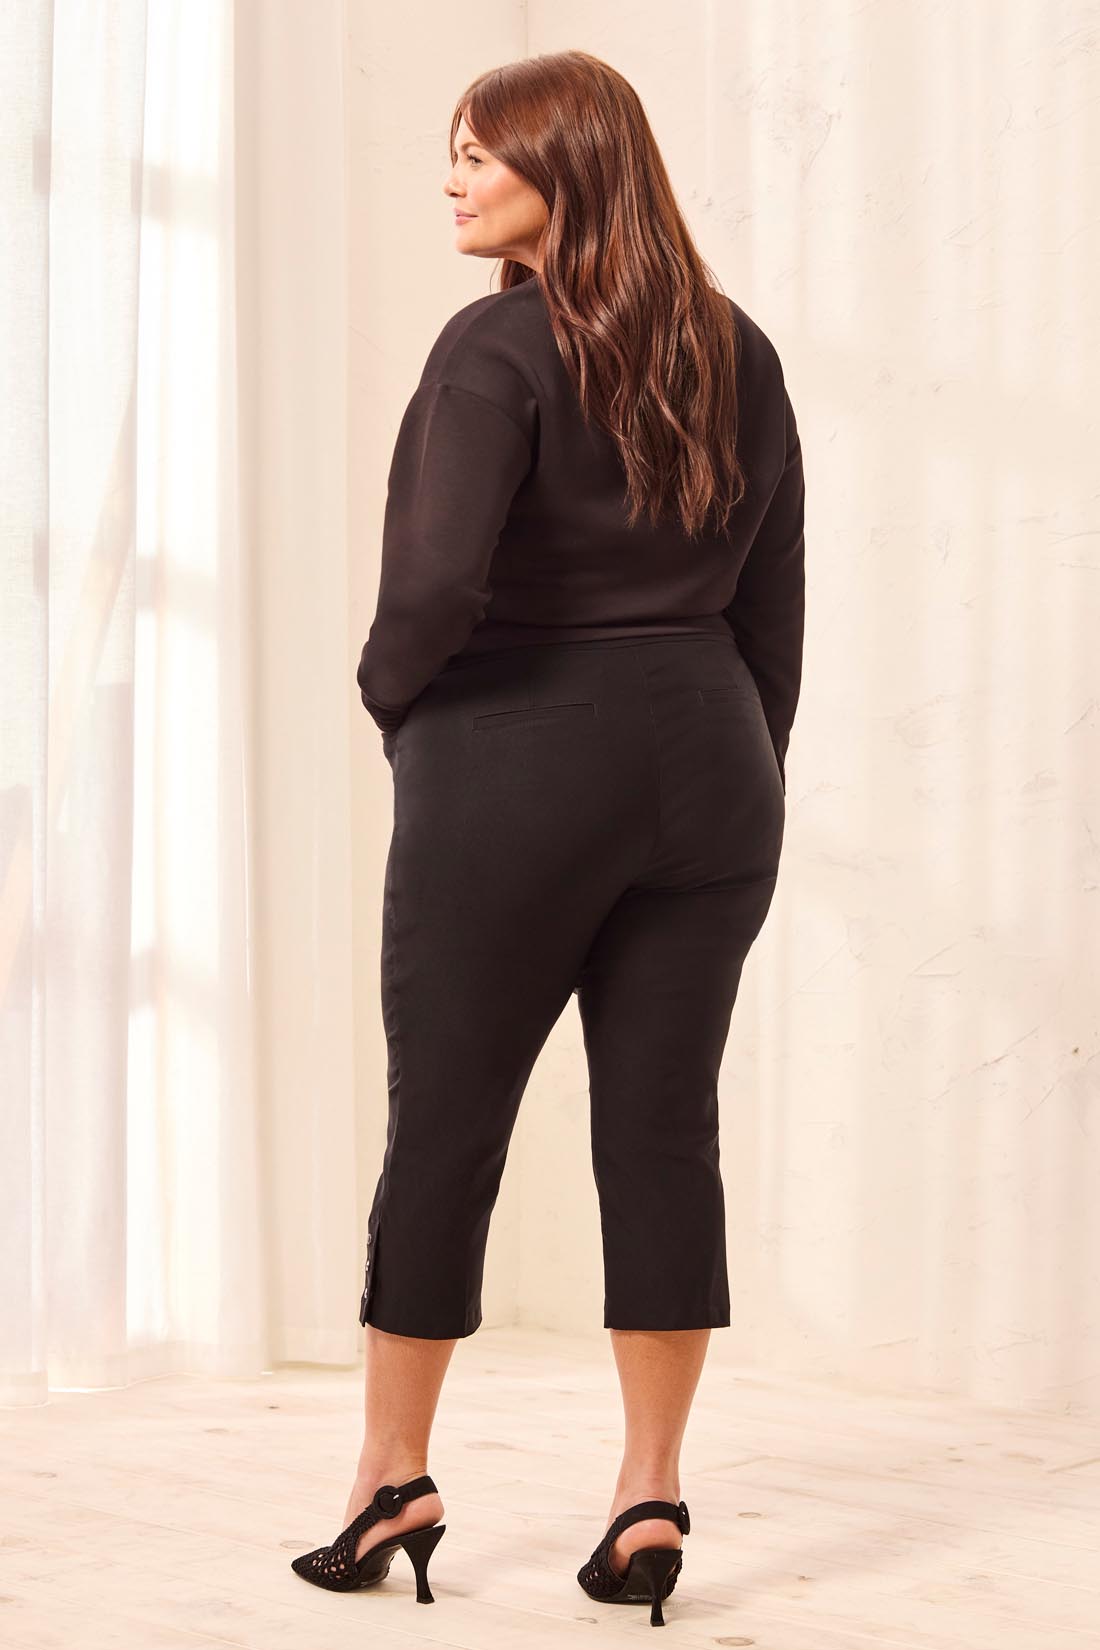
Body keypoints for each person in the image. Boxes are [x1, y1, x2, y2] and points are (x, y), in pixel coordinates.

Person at [291, 49, 806, 1625]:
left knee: (445, 1125)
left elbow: (435, 587)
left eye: (480, 155)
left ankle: (392, 1476)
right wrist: (741, 762)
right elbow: (773, 608)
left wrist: (398, 706)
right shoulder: (738, 347)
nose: (452, 179)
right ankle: (650, 1492)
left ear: (564, 170)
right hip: (712, 764)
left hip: (516, 763)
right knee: (663, 1132)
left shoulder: (494, 345)